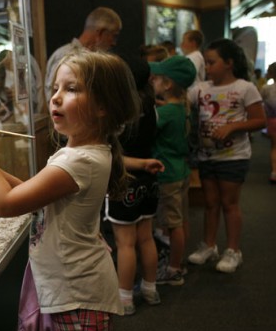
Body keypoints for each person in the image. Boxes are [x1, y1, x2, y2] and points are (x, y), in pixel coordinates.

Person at [0, 50, 141, 331]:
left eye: (72, 88)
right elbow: (34, 197)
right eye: (55, 87)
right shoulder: (76, 153)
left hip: (78, 293)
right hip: (72, 287)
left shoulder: (80, 161)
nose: (56, 97)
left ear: (104, 105)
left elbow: (5, 204)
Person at [187, 38, 267, 273]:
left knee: (229, 204)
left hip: (234, 156)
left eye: (212, 62)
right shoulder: (200, 88)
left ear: (229, 63)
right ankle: (209, 245)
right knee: (210, 204)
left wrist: (232, 127)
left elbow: (259, 120)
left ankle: (233, 250)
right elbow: (182, 102)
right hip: (206, 155)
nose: (208, 68)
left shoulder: (245, 88)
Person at [103, 55, 165, 315]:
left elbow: (112, 154)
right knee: (146, 237)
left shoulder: (118, 110)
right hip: (149, 179)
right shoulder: (151, 105)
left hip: (124, 180)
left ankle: (125, 297)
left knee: (125, 243)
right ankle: (150, 289)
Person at [149, 56, 197, 285]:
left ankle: (173, 269)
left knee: (173, 223)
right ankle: (179, 262)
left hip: (167, 173)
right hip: (181, 170)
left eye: (156, 78)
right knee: (181, 219)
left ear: (167, 85)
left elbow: (149, 127)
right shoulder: (181, 108)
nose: (153, 81)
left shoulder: (166, 113)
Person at [44, 7, 122, 104]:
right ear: (101, 33)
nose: (114, 43)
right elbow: (54, 100)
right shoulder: (66, 56)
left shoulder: (90, 58)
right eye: (114, 36)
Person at [260, 62, 276, 184]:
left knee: (274, 147)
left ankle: (274, 172)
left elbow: (260, 103)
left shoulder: (266, 88)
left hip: (272, 120)